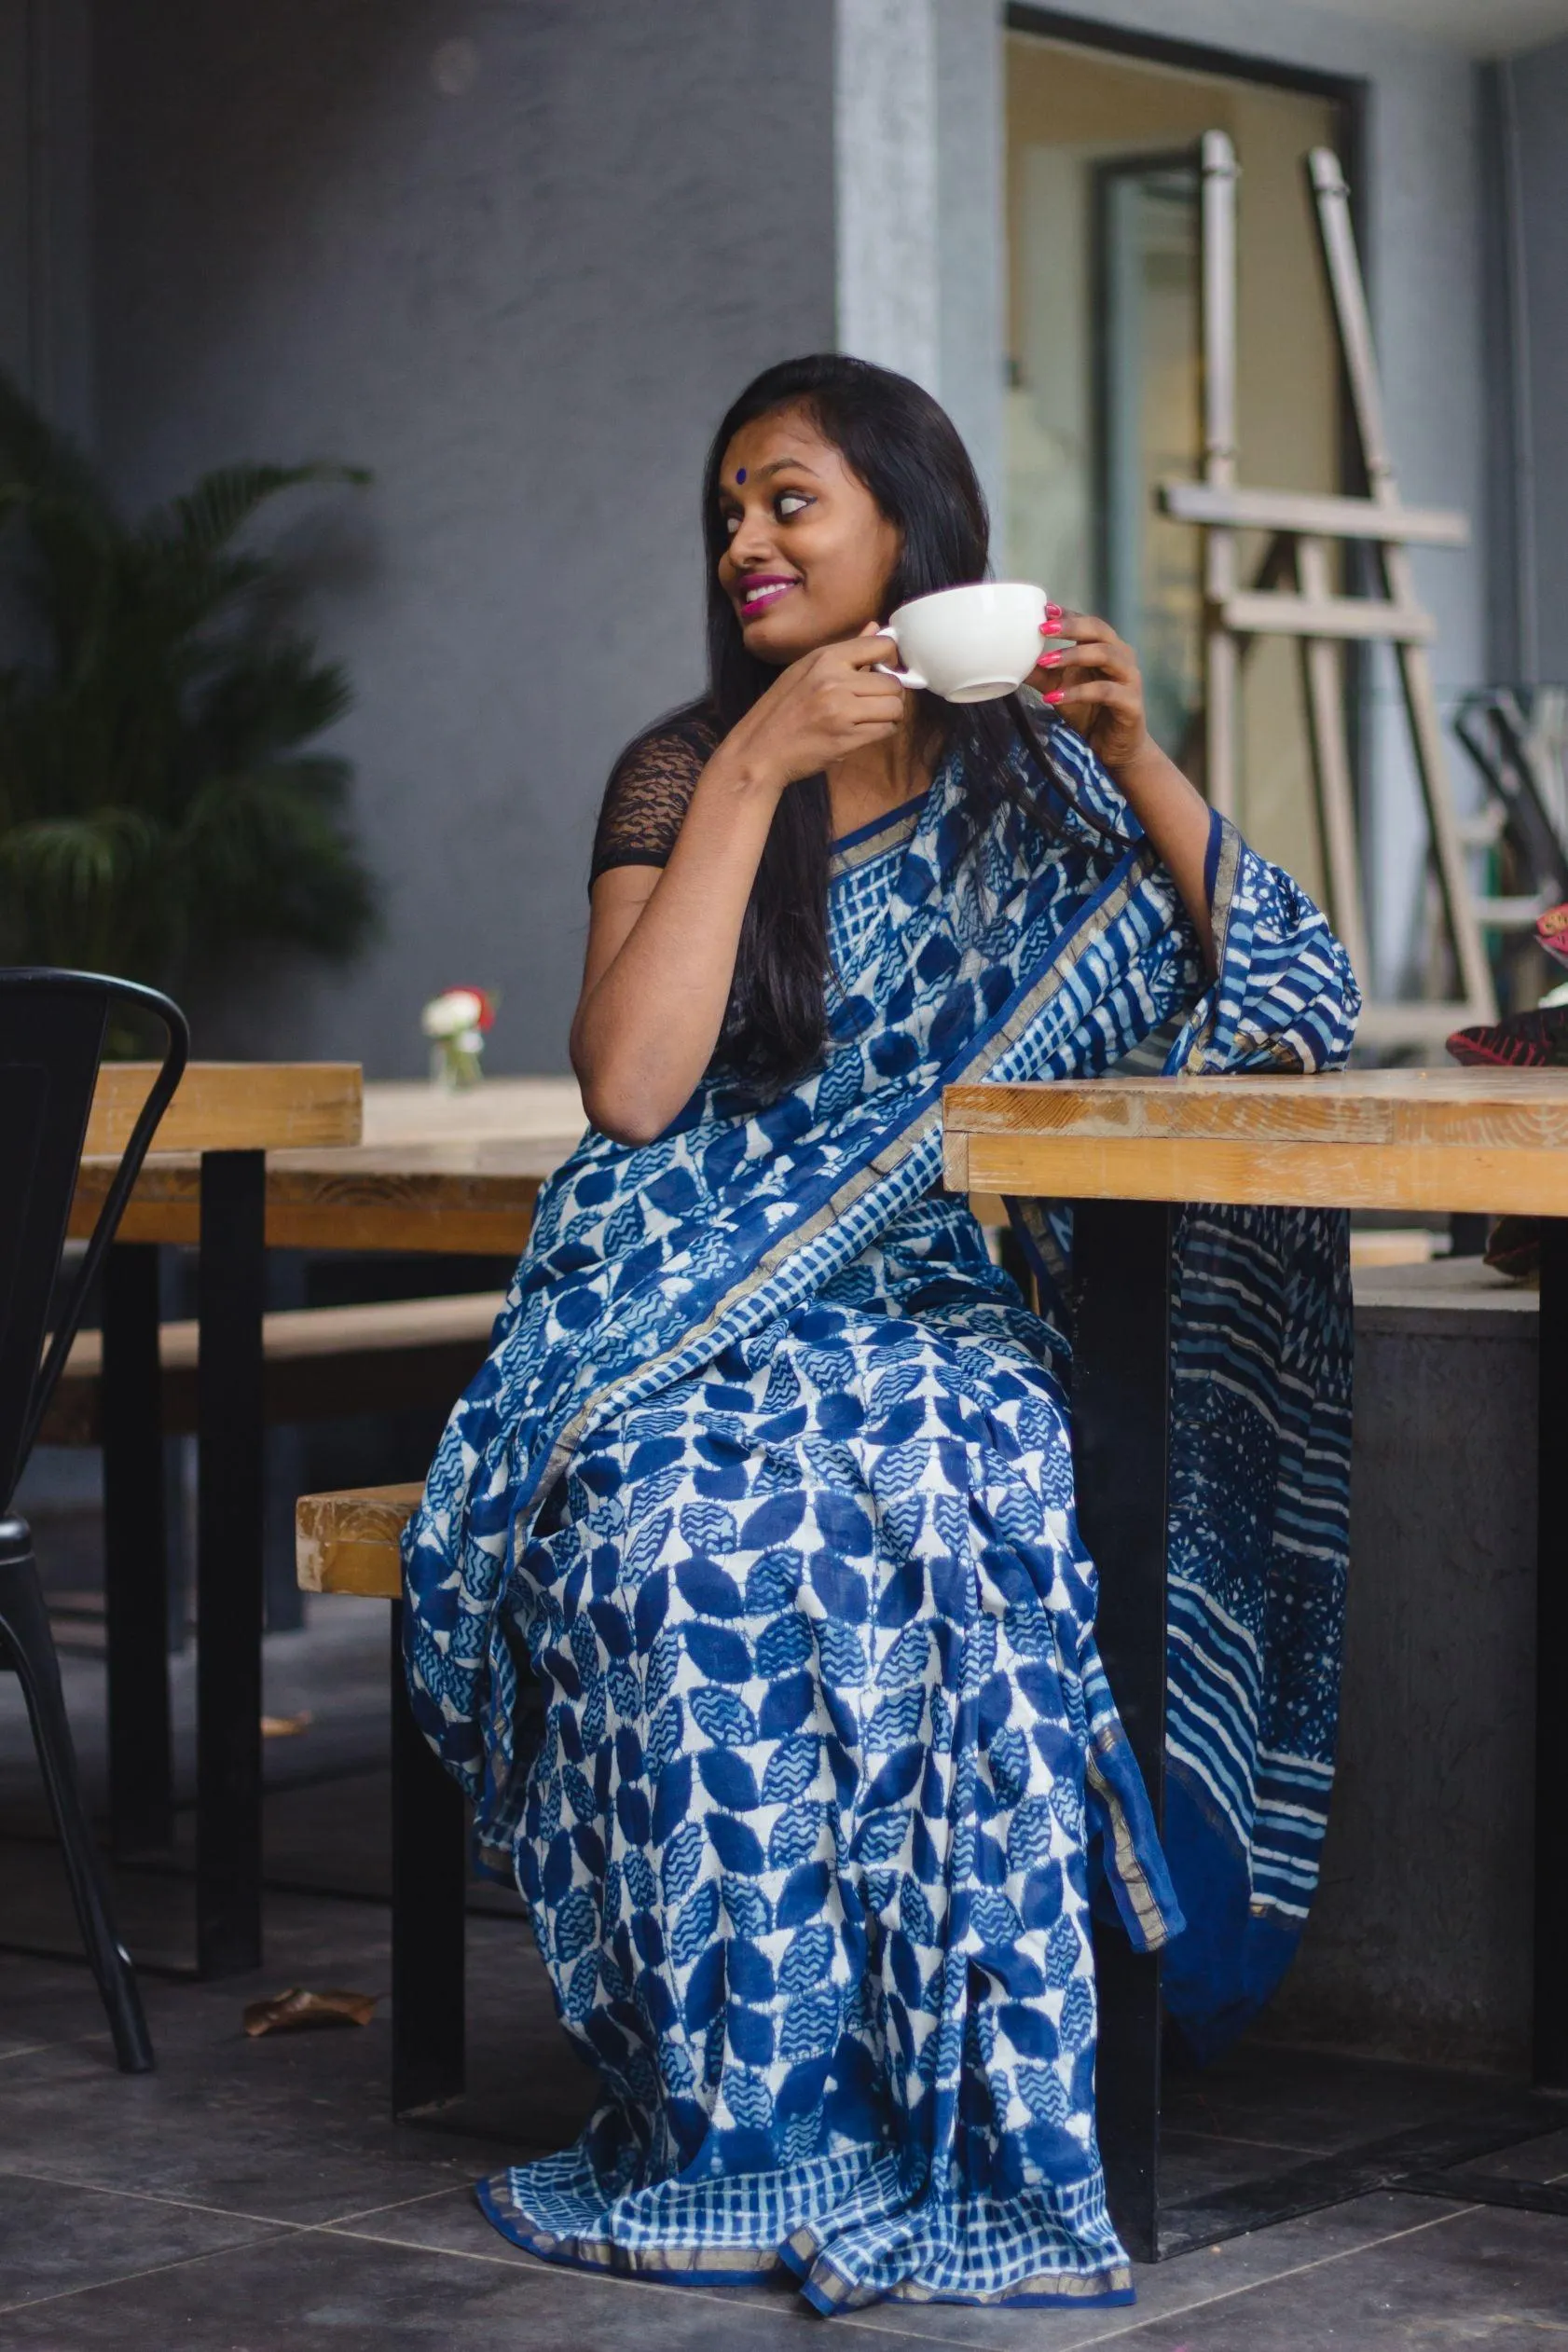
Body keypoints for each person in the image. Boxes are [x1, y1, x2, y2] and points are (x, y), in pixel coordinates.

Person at [403, 354, 1360, 2312]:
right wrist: (756, 764)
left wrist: (1146, 753)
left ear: (910, 540)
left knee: (960, 1484)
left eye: (787, 504)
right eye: (726, 516)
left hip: (921, 1300)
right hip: (661, 1309)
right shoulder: (681, 767)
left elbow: (1297, 1000)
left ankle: (953, 2117)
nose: (745, 543)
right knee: (673, 1543)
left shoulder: (1038, 791)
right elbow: (634, 1090)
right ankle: (748, 2128)